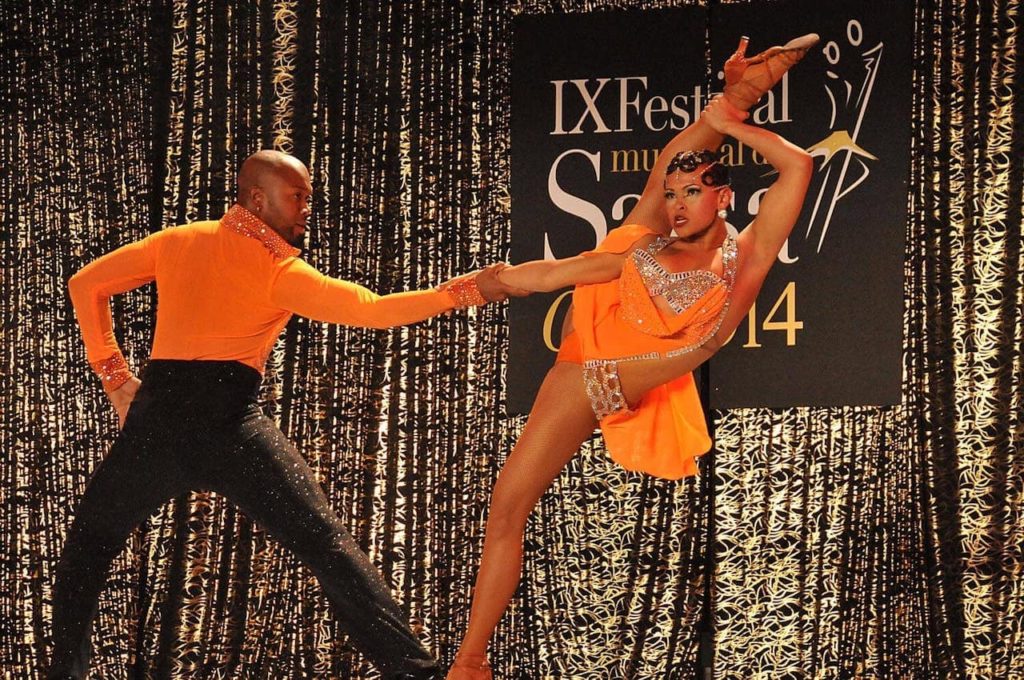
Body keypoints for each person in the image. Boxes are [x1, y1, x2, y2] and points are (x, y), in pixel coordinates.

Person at [49, 150, 523, 680]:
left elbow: (84, 284)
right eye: (297, 197)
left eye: (308, 198)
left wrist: (115, 375)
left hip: (195, 423)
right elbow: (374, 309)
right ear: (257, 198)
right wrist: (471, 288)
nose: (306, 210)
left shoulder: (191, 244)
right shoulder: (273, 269)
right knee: (326, 549)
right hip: (212, 427)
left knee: (88, 556)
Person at [447, 34, 818, 679]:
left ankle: (731, 102)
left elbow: (799, 169)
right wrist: (497, 282)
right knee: (508, 505)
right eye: (672, 196)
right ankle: (471, 661)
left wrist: (737, 122)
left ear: (724, 197)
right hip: (589, 370)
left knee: (707, 336)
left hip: (657, 371)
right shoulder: (643, 247)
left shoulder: (747, 255)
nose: (676, 207)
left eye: (691, 194)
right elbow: (562, 271)